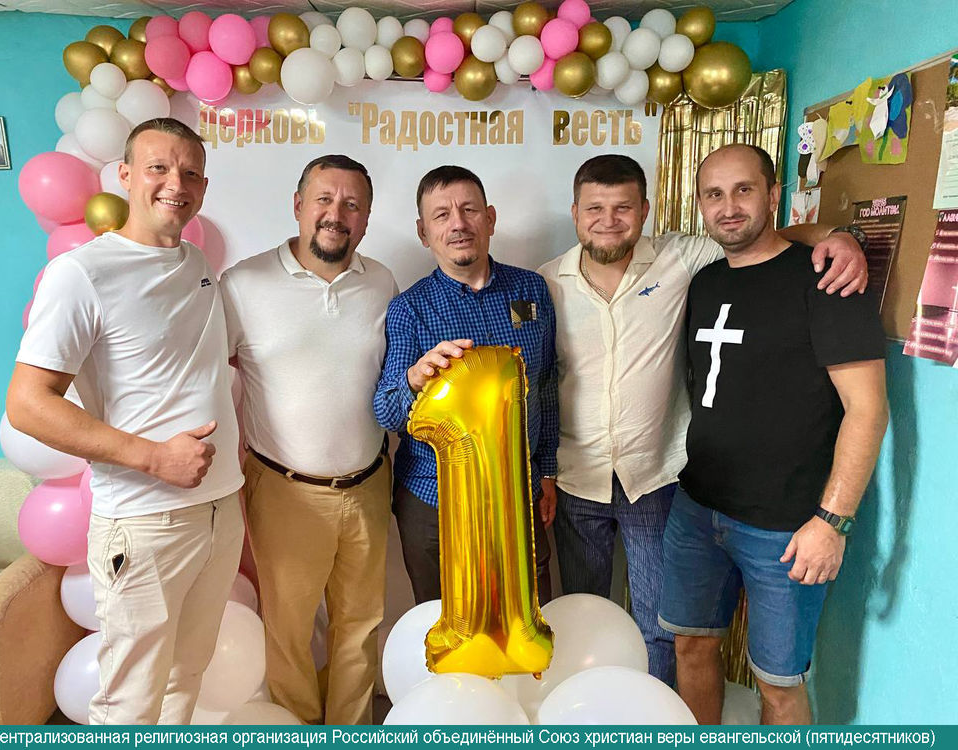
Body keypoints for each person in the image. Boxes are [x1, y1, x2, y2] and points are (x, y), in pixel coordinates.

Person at [538, 154, 869, 685]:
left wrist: (837, 236)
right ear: (575, 213)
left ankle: (654, 717)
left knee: (662, 626)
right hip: (578, 479)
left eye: (623, 207)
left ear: (646, 210)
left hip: (655, 479)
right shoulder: (545, 283)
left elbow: (761, 236)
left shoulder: (685, 257)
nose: (608, 220)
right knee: (581, 610)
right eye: (594, 208)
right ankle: (583, 707)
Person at [7, 118, 243, 725]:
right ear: (126, 176)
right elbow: (28, 402)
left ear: (204, 186)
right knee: (130, 704)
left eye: (190, 173)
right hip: (143, 522)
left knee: (185, 682)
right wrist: (154, 457)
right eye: (158, 168)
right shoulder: (83, 273)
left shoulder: (197, 264)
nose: (175, 184)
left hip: (220, 510)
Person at [658, 144, 888, 724]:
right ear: (699, 204)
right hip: (697, 507)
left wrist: (832, 521)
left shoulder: (825, 280)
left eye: (744, 189)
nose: (729, 207)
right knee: (690, 646)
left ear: (773, 193)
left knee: (779, 685)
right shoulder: (704, 282)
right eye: (714, 194)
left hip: (786, 526)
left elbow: (868, 410)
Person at [220, 155, 397, 726]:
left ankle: (352, 729)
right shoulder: (242, 284)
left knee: (361, 625)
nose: (335, 214)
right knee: (289, 631)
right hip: (284, 490)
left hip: (369, 483)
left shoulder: (382, 283)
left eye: (351, 204)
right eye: (324, 199)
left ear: (365, 218)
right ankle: (295, 730)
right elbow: (206, 374)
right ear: (298, 206)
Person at [373, 165, 558, 605]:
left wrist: (547, 470)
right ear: (424, 233)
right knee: (445, 624)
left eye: (469, 210)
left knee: (527, 618)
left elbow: (547, 386)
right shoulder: (410, 309)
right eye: (442, 215)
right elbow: (387, 412)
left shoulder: (532, 291)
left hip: (520, 492)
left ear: (489, 219)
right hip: (435, 500)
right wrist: (415, 377)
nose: (458, 223)